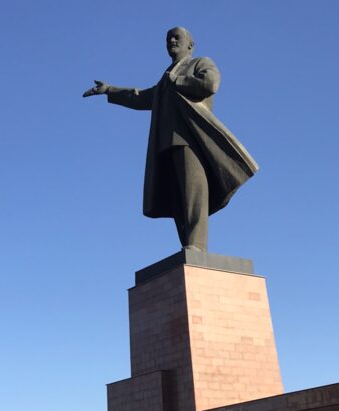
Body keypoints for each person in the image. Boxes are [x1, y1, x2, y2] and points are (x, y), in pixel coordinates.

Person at [83, 26, 258, 253]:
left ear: (190, 45)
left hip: (190, 140)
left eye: (177, 37)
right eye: (168, 39)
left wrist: (177, 81)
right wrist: (110, 90)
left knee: (194, 195)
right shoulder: (165, 77)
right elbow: (142, 97)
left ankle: (197, 246)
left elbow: (210, 84)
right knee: (177, 200)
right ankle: (188, 246)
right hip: (165, 144)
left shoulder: (198, 63)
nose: (171, 41)